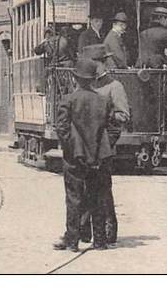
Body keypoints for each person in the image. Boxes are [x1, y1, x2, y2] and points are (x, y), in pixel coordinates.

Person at [53, 57, 115, 252]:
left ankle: (72, 241)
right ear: (93, 79)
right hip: (98, 156)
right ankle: (100, 241)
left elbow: (62, 128)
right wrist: (104, 145)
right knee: (97, 197)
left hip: (74, 157)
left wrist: (70, 148)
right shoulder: (103, 100)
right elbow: (113, 127)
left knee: (74, 198)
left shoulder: (68, 100)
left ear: (75, 79)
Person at [79, 44, 129, 246]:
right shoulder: (85, 85)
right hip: (84, 146)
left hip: (103, 146)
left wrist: (106, 137)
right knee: (83, 188)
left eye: (91, 63)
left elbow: (123, 115)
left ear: (100, 63)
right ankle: (84, 231)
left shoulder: (114, 86)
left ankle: (108, 232)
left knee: (102, 190)